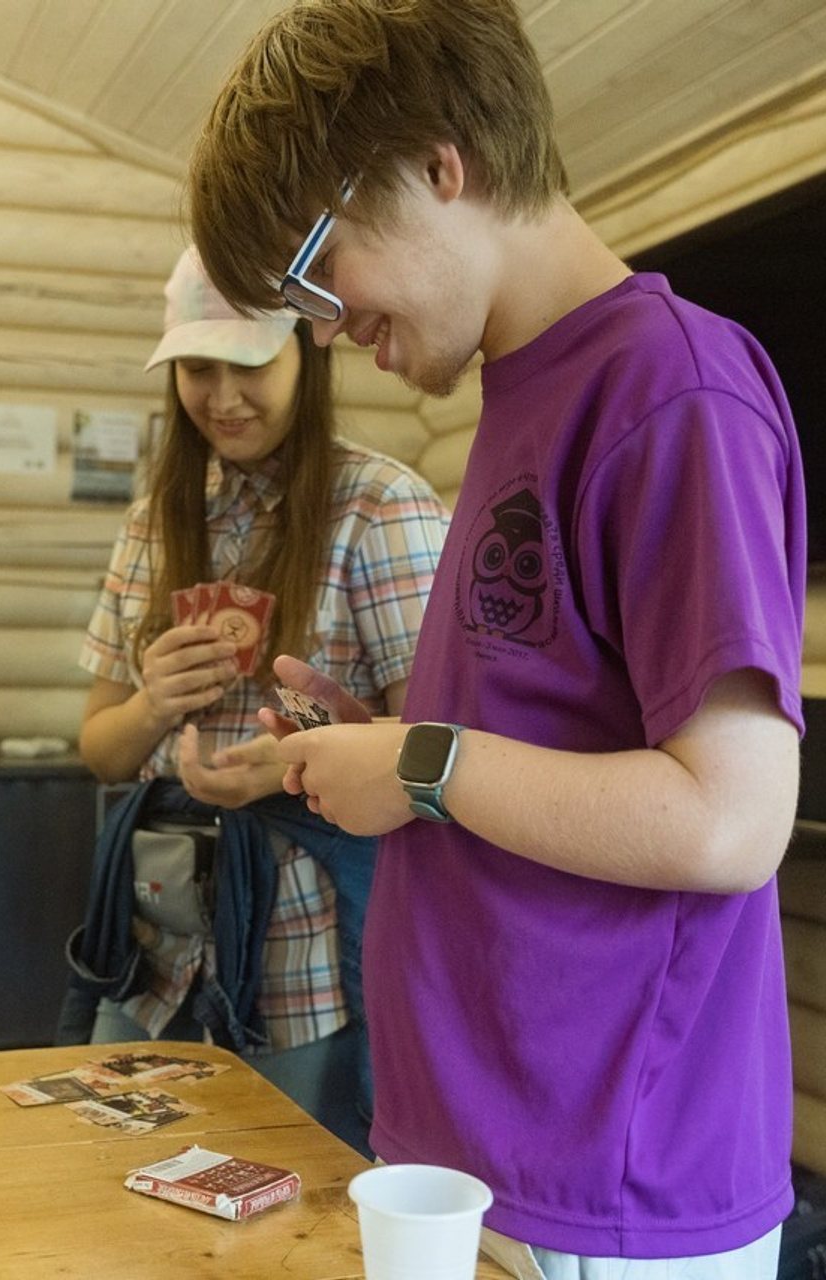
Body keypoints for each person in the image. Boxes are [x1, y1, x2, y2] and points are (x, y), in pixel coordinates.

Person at [187, 1, 805, 1276]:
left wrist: (419, 762)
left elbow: (729, 820)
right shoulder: (523, 392)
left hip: (609, 1183)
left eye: (316, 268)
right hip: (489, 1152)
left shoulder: (669, 388)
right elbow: (543, 742)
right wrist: (381, 748)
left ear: (436, 164)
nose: (320, 326)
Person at [63, 245, 448, 1153]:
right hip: (154, 945)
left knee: (294, 1188)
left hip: (308, 953)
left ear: (305, 355)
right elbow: (101, 750)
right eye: (198, 368)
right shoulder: (155, 520)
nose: (224, 397)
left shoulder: (379, 507)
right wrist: (154, 704)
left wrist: (292, 760)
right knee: (111, 1177)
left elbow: (435, 742)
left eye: (249, 365)